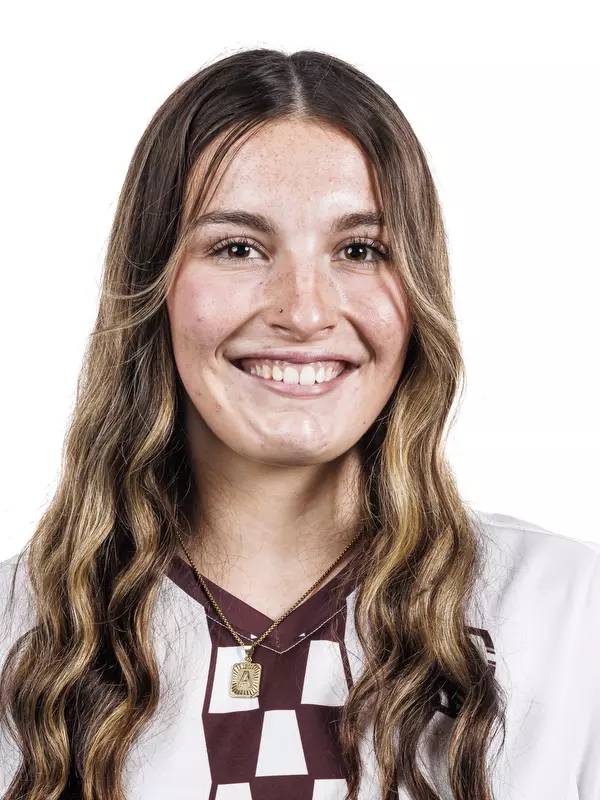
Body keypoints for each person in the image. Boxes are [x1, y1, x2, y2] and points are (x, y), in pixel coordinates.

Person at [0, 47, 598, 800]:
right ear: (153, 288)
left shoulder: (570, 616)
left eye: (359, 249)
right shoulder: (17, 635)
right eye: (239, 248)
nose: (305, 310)